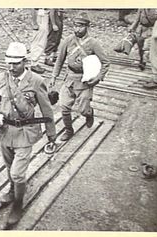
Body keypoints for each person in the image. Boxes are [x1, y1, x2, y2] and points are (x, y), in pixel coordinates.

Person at [0, 42, 57, 226]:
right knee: (10, 167)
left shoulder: (36, 81)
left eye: (16, 63)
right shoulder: (1, 78)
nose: (11, 67)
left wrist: (51, 135)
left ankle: (18, 204)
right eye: (8, 63)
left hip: (25, 133)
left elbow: (46, 109)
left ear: (25, 62)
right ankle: (12, 190)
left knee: (18, 173)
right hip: (5, 131)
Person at [50, 11, 110, 141]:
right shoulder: (68, 41)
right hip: (70, 78)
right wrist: (54, 76)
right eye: (75, 26)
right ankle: (68, 130)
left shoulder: (93, 43)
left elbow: (106, 62)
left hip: (85, 81)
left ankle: (89, 113)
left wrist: (98, 78)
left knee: (83, 110)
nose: (77, 29)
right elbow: (60, 60)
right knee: (64, 106)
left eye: (81, 26)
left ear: (87, 27)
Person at [30, 8, 50, 74]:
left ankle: (35, 62)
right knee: (37, 42)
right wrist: (35, 23)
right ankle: (34, 64)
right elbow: (33, 8)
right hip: (40, 16)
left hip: (45, 15)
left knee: (42, 42)